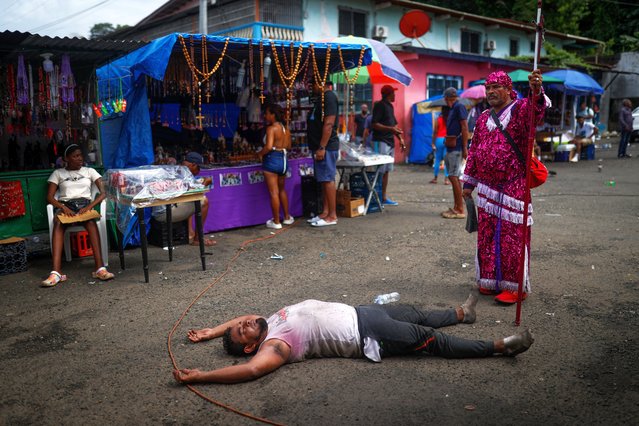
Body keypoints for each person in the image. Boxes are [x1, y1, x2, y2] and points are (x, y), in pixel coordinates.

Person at [172, 294, 534, 385]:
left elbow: (238, 319)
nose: (247, 321)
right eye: (243, 330)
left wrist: (213, 331)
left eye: (244, 323)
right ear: (251, 344)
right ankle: (500, 346)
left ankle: (462, 314)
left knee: (419, 313)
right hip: (368, 334)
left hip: (363, 313)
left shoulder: (265, 322)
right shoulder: (275, 346)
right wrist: (204, 376)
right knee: (430, 340)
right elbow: (251, 371)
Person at [461, 69, 546, 304]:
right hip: (487, 189)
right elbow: (475, 152)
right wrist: (469, 183)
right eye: (488, 88)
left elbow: (535, 111)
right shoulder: (482, 118)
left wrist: (536, 91)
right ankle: (490, 280)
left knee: (512, 238)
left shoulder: (519, 110)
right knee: (487, 237)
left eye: (496, 87)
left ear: (509, 90)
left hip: (513, 188)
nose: (490, 92)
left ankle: (516, 287)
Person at [43, 144, 114, 287]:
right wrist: (63, 208)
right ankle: (56, 273)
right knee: (58, 223)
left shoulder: (90, 171)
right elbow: (50, 197)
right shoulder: (58, 173)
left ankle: (100, 268)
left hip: (85, 205)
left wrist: (88, 207)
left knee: (91, 223)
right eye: (75, 156)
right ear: (66, 158)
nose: (80, 159)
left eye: (80, 155)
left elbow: (103, 193)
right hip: (66, 206)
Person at [153, 151, 216, 246]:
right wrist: (205, 183)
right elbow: (193, 193)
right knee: (204, 201)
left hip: (163, 209)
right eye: (199, 168)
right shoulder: (183, 173)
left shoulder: (179, 170)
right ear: (193, 165)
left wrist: (199, 183)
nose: (199, 171)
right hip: (164, 213)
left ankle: (190, 233)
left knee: (191, 201)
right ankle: (198, 239)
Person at [306, 78, 339, 227]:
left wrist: (322, 147)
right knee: (324, 180)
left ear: (321, 83)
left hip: (326, 147)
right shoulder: (321, 99)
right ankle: (325, 212)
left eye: (313, 83)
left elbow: (329, 123)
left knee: (328, 179)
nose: (312, 87)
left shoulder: (329, 97)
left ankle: (332, 215)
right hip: (320, 146)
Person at [257, 103, 294, 229]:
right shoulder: (285, 129)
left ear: (273, 115)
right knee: (282, 190)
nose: (265, 116)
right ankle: (287, 217)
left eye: (267, 113)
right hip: (283, 161)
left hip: (272, 160)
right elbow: (288, 146)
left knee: (274, 192)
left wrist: (259, 154)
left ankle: (276, 221)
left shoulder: (271, 129)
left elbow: (268, 146)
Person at [371, 85, 406, 206]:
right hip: (381, 141)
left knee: (386, 171)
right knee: (379, 171)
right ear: (387, 94)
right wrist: (390, 129)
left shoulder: (390, 106)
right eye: (393, 93)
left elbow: (394, 126)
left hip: (389, 141)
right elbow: (374, 124)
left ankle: (383, 197)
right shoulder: (379, 105)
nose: (395, 95)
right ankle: (376, 197)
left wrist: (400, 139)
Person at [441, 87, 469, 219]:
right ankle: (457, 207)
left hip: (457, 147)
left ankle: (459, 209)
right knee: (453, 177)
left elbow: (464, 127)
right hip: (452, 146)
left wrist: (465, 148)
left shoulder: (459, 107)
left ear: (446, 98)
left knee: (453, 176)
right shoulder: (453, 108)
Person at [429, 107, 450, 185]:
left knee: (437, 159)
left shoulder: (438, 119)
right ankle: (446, 179)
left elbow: (435, 131)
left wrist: (433, 142)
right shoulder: (450, 119)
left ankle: (435, 178)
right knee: (446, 160)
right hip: (447, 139)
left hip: (439, 140)